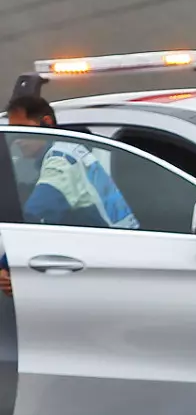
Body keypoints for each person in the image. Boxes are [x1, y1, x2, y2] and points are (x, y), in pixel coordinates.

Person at [1, 95, 139, 297]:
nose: (17, 141)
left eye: (23, 131)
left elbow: (35, 216)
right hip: (113, 252)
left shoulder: (62, 160)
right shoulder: (65, 150)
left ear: (46, 123)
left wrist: (6, 263)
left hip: (113, 260)